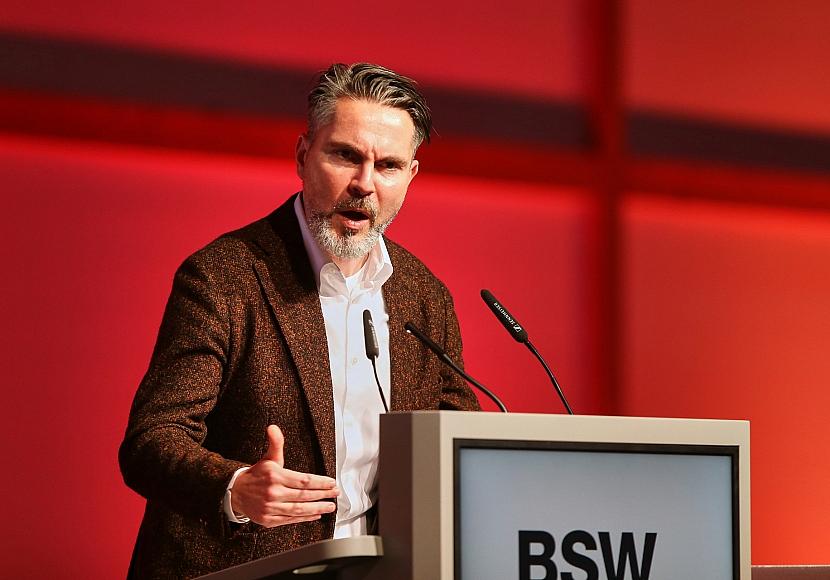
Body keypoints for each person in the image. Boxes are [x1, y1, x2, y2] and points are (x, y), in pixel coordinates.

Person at [119, 62, 480, 578]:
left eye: (388, 166)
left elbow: (460, 445)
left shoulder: (425, 297)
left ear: (411, 176)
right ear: (302, 155)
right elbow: (152, 440)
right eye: (345, 155)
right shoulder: (225, 276)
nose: (364, 184)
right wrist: (235, 488)